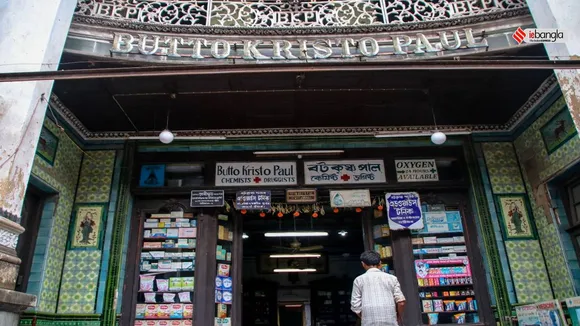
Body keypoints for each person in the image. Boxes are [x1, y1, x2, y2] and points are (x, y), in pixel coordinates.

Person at [351, 250, 406, 326]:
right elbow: (401, 302)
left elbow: (355, 306)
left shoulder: (358, 280)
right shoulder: (392, 279)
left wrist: (365, 318)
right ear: (380, 263)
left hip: (368, 322)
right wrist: (398, 317)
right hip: (391, 321)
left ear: (363, 264)